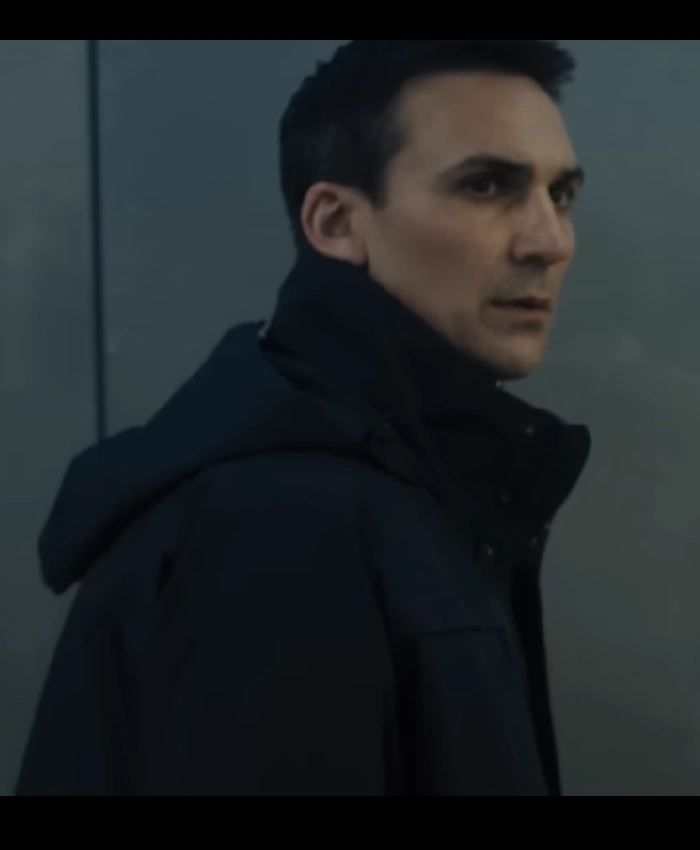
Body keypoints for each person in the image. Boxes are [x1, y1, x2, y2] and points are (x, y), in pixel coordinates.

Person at [17, 39, 591, 796]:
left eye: (561, 194)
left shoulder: (394, 486)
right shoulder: (282, 524)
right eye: (486, 186)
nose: (550, 240)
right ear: (335, 222)